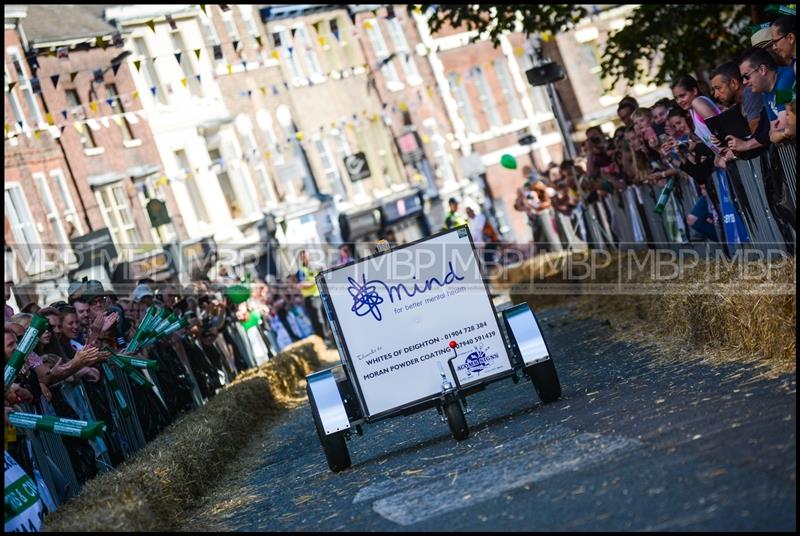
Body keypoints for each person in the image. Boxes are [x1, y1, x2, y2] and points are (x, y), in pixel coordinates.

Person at [739, 47, 796, 145]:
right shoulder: (765, 92)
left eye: (746, 76)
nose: (744, 82)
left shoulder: (786, 77)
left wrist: (781, 133)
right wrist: (782, 133)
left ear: (762, 70)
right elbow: (772, 134)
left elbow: (783, 125)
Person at [670, 74, 721, 151]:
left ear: (694, 91)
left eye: (682, 96)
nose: (679, 101)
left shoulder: (697, 102)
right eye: (676, 98)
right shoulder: (692, 109)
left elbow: (720, 129)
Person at [296, 249, 329, 343]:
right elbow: (300, 284)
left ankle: (328, 337)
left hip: (320, 295)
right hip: (311, 298)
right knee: (319, 320)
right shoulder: (301, 271)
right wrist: (314, 281)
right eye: (303, 256)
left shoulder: (314, 267)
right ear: (301, 258)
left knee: (326, 317)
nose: (306, 258)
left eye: (306, 255)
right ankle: (324, 340)